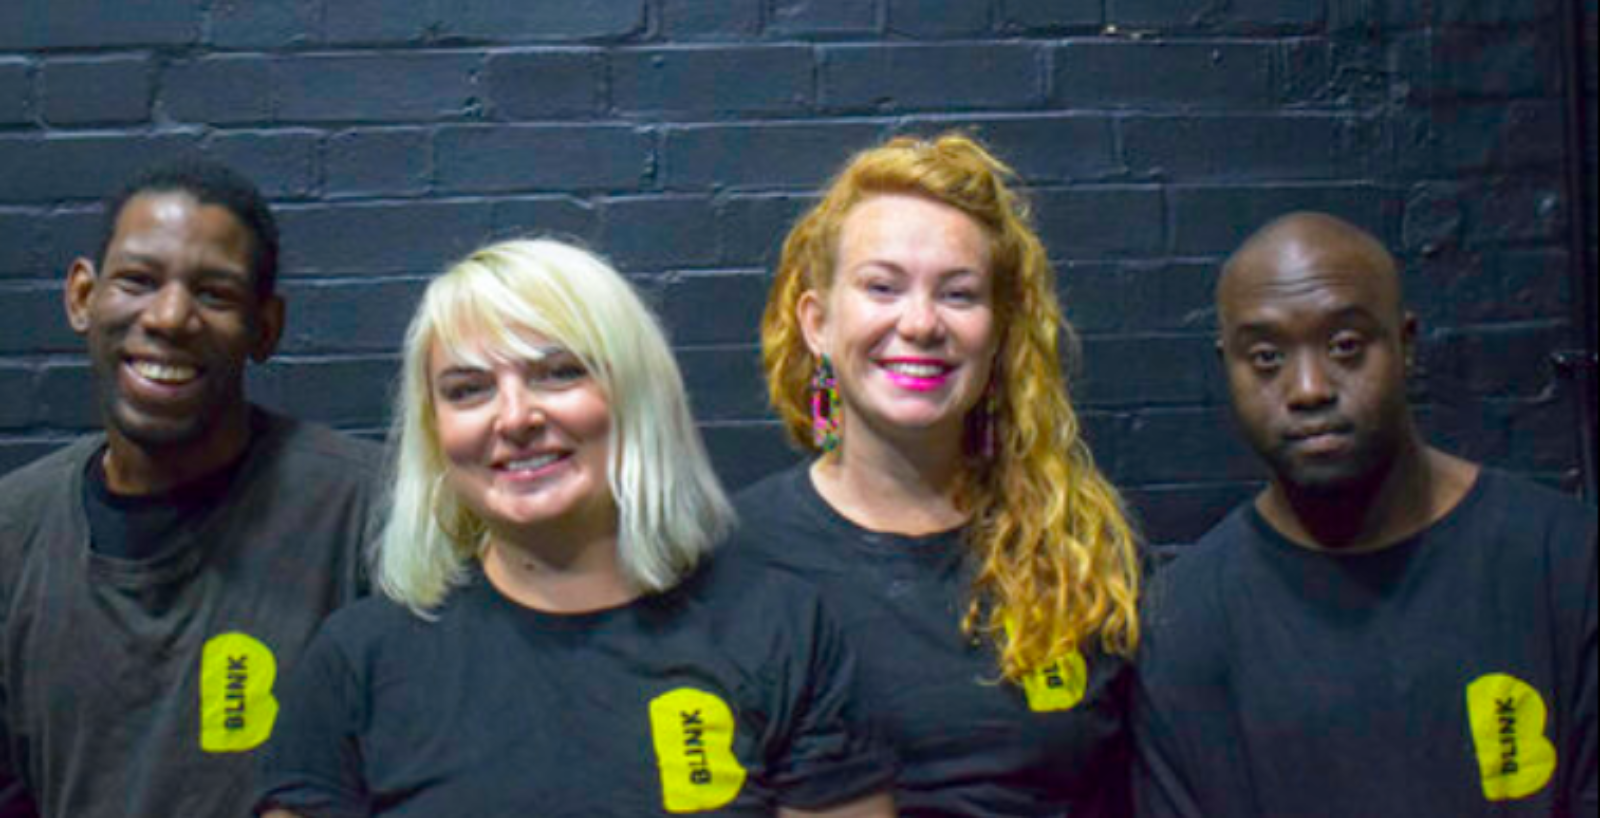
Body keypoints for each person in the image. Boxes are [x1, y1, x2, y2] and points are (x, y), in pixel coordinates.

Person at [253, 238, 897, 817]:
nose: (514, 417)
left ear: (633, 394)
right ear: (435, 431)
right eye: (468, 389)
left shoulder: (778, 629)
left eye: (558, 372)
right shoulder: (359, 659)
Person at [1131, 211, 1598, 817]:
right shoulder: (1181, 629)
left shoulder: (1563, 561)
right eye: (1267, 357)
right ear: (1228, 367)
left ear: (1404, 345)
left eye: (1345, 346)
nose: (1308, 388)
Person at [735, 132, 1142, 815]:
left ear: (998, 329)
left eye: (958, 294)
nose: (920, 323)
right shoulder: (734, 560)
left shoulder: (1079, 550)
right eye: (881, 287)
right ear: (817, 322)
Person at [0, 158, 383, 818]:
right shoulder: (14, 532)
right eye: (138, 281)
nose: (171, 317)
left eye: (215, 293)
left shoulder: (370, 512)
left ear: (266, 328)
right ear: (82, 298)